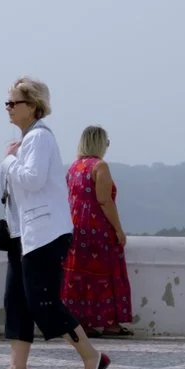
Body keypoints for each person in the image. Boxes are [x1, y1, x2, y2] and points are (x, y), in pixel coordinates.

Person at [0, 77, 109, 369]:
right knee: (16, 299)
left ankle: (92, 357)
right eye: (7, 103)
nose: (9, 109)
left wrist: (10, 160)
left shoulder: (39, 138)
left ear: (34, 106)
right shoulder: (27, 140)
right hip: (23, 233)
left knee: (43, 302)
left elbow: (33, 179)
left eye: (15, 103)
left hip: (44, 233)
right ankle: (17, 368)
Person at [62, 125, 133, 335]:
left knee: (80, 275)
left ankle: (81, 322)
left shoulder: (74, 167)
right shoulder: (100, 166)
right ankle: (110, 323)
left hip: (75, 227)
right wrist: (119, 229)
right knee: (106, 273)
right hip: (96, 228)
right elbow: (104, 200)